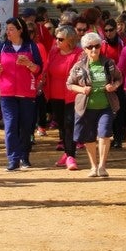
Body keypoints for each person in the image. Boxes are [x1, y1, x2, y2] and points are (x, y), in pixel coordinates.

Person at [65, 31, 123, 177]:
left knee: (104, 134)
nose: (94, 50)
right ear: (84, 49)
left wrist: (114, 86)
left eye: (96, 46)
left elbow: (119, 78)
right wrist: (82, 89)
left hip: (106, 106)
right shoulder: (79, 66)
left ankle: (102, 166)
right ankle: (93, 166)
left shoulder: (109, 63)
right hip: (86, 107)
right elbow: (69, 84)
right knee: (89, 137)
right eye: (90, 47)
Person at [0, 16, 42, 171]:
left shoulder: (31, 46)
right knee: (11, 125)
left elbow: (38, 69)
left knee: (26, 126)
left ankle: (24, 157)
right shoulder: (3, 46)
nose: (8, 32)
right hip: (7, 93)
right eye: (7, 29)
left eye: (11, 29)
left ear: (20, 30)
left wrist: (28, 64)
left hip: (27, 93)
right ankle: (13, 159)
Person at [44, 26, 83, 171]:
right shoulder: (54, 52)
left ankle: (71, 155)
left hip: (72, 95)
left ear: (70, 40)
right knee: (61, 124)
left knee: (69, 125)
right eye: (56, 38)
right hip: (55, 95)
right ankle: (67, 153)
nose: (57, 41)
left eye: (60, 39)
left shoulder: (78, 54)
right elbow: (47, 69)